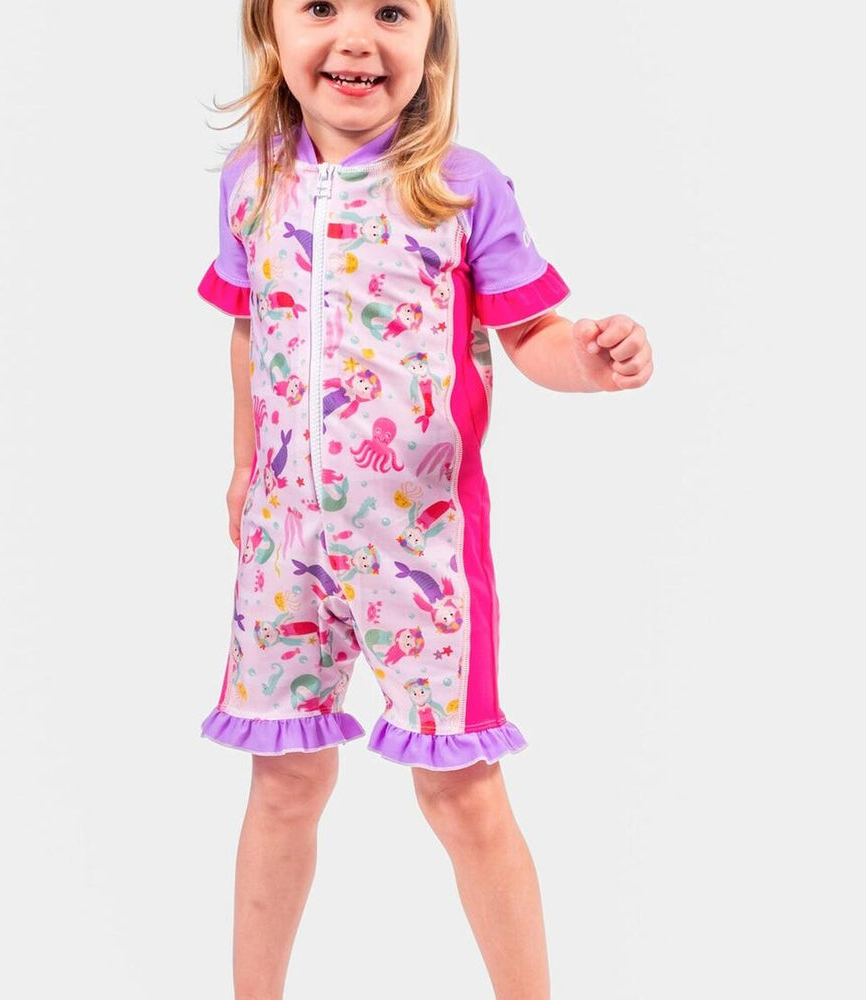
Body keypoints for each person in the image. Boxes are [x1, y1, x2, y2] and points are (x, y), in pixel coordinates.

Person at [196, 2, 654, 997]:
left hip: (422, 551)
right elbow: (248, 326)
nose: (357, 38)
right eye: (322, 8)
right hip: (282, 546)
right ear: (270, 27)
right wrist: (242, 466)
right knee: (282, 782)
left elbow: (531, 335)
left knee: (459, 793)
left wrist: (590, 359)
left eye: (392, 11)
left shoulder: (457, 186)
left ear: (431, 38)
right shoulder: (251, 182)